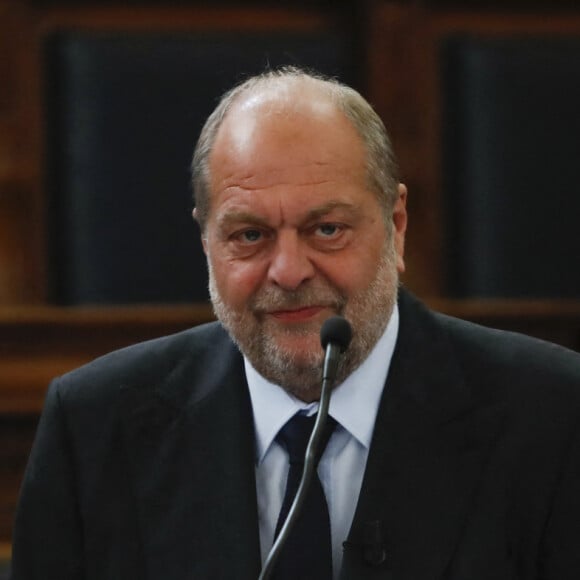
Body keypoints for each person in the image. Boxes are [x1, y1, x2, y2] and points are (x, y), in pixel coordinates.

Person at [11, 67, 580, 580]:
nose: (287, 271)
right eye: (249, 235)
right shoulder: (94, 426)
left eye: (327, 229)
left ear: (397, 225)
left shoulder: (553, 414)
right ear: (206, 241)